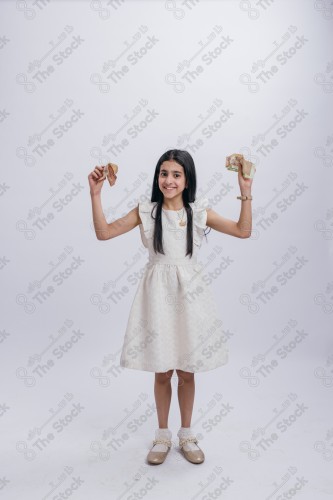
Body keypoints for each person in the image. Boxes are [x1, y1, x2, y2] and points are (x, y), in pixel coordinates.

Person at [88, 149, 253, 465]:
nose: (169, 180)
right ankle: (162, 435)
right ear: (157, 177)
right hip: (158, 298)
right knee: (163, 371)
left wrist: (245, 194)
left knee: (187, 371)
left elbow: (243, 231)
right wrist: (95, 195)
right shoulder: (146, 212)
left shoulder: (198, 212)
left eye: (176, 174)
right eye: (164, 173)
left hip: (190, 298)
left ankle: (186, 434)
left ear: (187, 178)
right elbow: (104, 232)